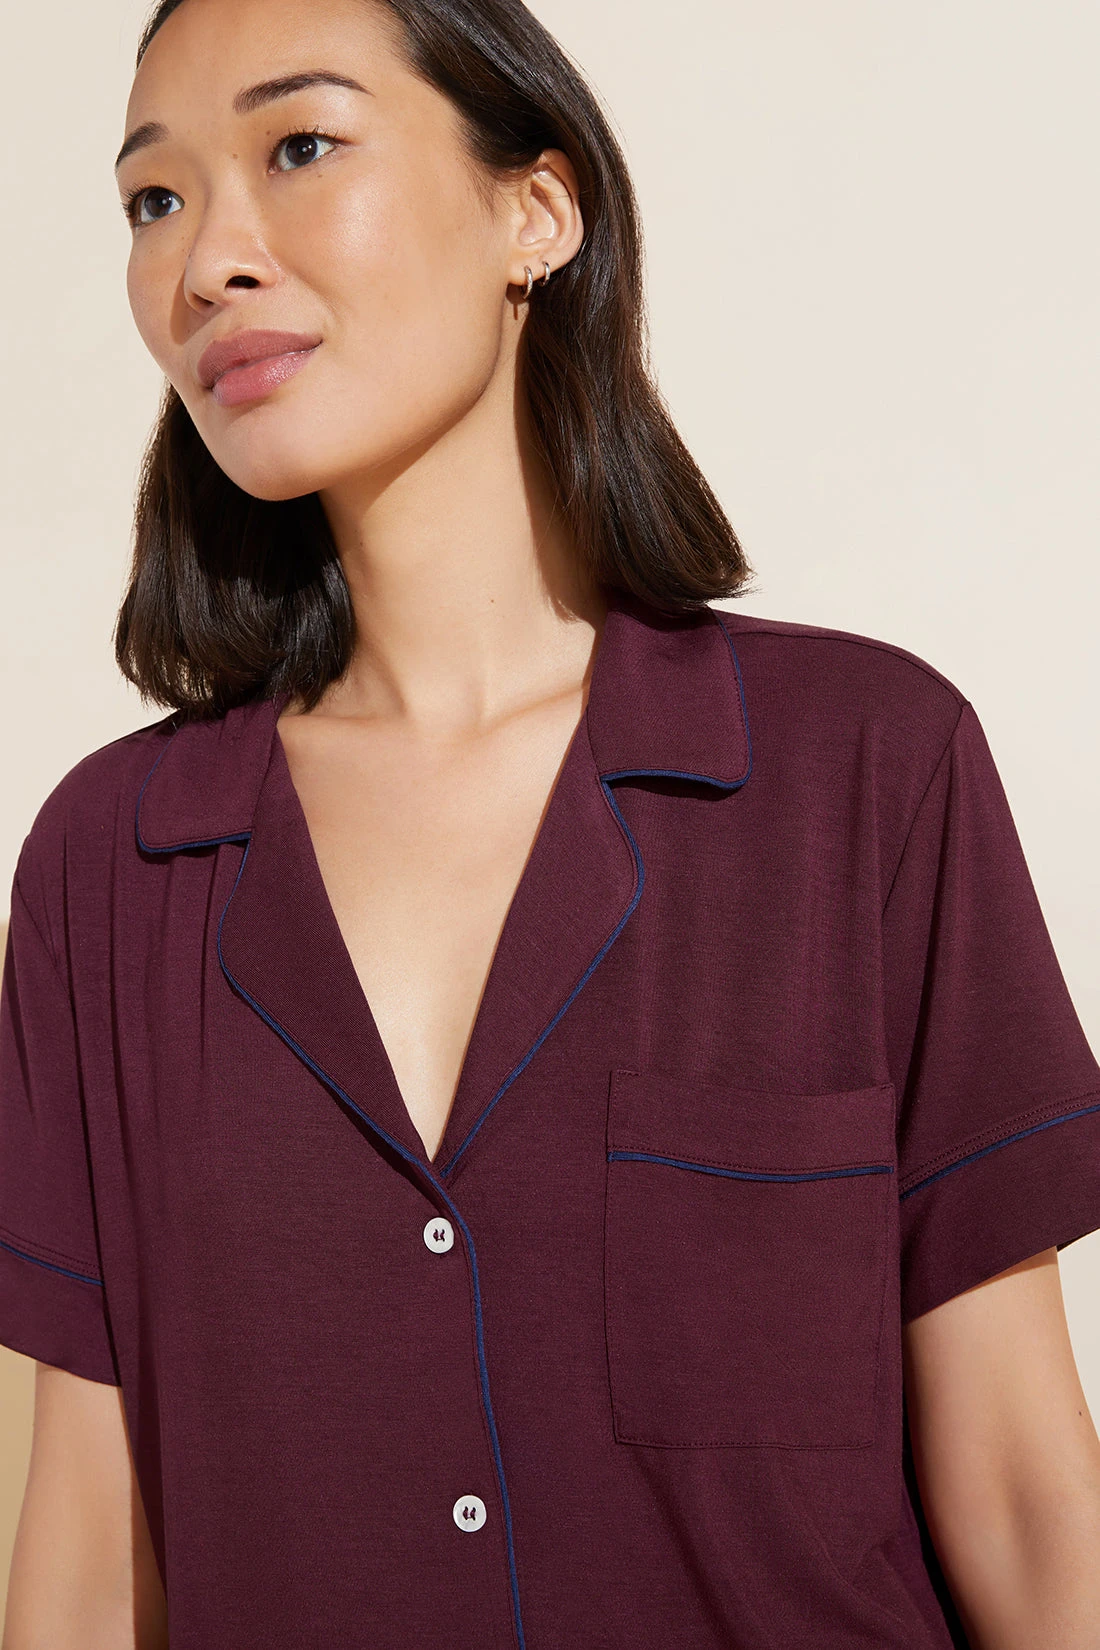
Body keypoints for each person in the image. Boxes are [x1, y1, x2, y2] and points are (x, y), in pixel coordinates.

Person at [2, 0, 1099, 1645]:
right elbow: (88, 1568)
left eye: (301, 146)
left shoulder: (862, 771)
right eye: (154, 199)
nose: (208, 259)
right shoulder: (113, 866)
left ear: (537, 210)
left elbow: (1027, 1498)